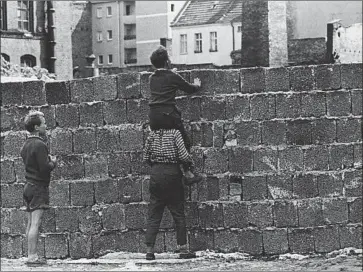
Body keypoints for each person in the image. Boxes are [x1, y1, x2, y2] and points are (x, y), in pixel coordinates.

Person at [148, 45, 202, 185]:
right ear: (167, 62)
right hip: (168, 115)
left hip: (153, 117)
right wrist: (197, 84)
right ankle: (188, 173)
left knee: (159, 142)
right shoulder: (172, 76)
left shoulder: (152, 78)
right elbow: (189, 89)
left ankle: (159, 172)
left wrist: (170, 73)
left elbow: (163, 79)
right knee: (184, 142)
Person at [143, 128, 197, 260]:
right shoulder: (175, 133)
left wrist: (157, 166)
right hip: (172, 173)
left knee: (154, 213)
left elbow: (145, 157)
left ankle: (149, 251)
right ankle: (183, 248)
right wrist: (189, 165)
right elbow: (184, 156)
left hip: (156, 174)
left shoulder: (153, 133)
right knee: (178, 213)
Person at [20, 111, 57, 265]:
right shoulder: (40, 144)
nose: (46, 125)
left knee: (30, 223)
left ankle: (30, 254)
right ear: (36, 127)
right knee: (36, 223)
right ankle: (33, 257)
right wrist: (53, 162)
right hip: (38, 188)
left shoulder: (25, 145)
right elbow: (44, 168)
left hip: (28, 186)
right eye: (43, 123)